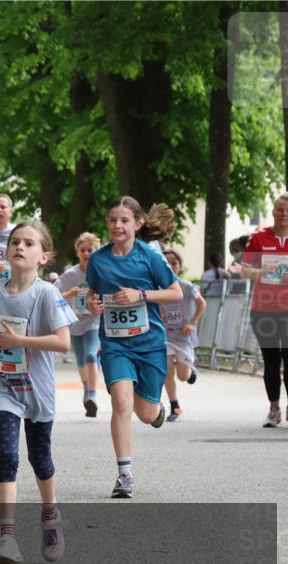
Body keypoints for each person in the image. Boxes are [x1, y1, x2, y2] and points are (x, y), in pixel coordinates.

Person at [0, 221, 77, 564]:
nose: (20, 247)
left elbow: (63, 341)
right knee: (8, 455)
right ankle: (8, 537)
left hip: (37, 391)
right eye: (15, 241)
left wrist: (21, 342)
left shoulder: (47, 293)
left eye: (29, 243)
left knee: (39, 459)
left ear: (42, 256)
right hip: (2, 386)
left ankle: (49, 514)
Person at [86, 196, 182, 498]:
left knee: (144, 413)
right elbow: (92, 294)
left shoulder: (150, 256)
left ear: (137, 224)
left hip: (150, 343)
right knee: (121, 403)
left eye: (124, 220)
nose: (118, 225)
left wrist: (141, 294)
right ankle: (124, 474)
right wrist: (92, 304)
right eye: (113, 220)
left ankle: (157, 412)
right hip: (115, 344)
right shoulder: (99, 260)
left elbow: (175, 293)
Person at [236, 193, 288, 428]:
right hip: (264, 309)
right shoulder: (259, 238)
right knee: (271, 360)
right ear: (273, 211)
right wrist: (260, 272)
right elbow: (244, 269)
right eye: (280, 209)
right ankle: (274, 410)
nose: (284, 214)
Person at [56, 232, 103, 417]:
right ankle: (86, 387)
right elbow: (52, 294)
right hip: (74, 323)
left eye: (90, 250)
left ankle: (92, 395)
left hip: (93, 321)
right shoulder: (70, 275)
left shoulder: (101, 272)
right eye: (83, 250)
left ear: (96, 251)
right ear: (77, 252)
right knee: (81, 360)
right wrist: (68, 296)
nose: (86, 253)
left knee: (91, 356)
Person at [161, 249, 205, 422]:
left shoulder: (186, 286)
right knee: (167, 372)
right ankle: (175, 406)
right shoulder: (157, 288)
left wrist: (192, 323)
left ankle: (190, 370)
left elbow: (202, 304)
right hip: (165, 336)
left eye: (174, 263)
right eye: (167, 263)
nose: (171, 266)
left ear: (180, 266)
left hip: (183, 337)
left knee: (183, 376)